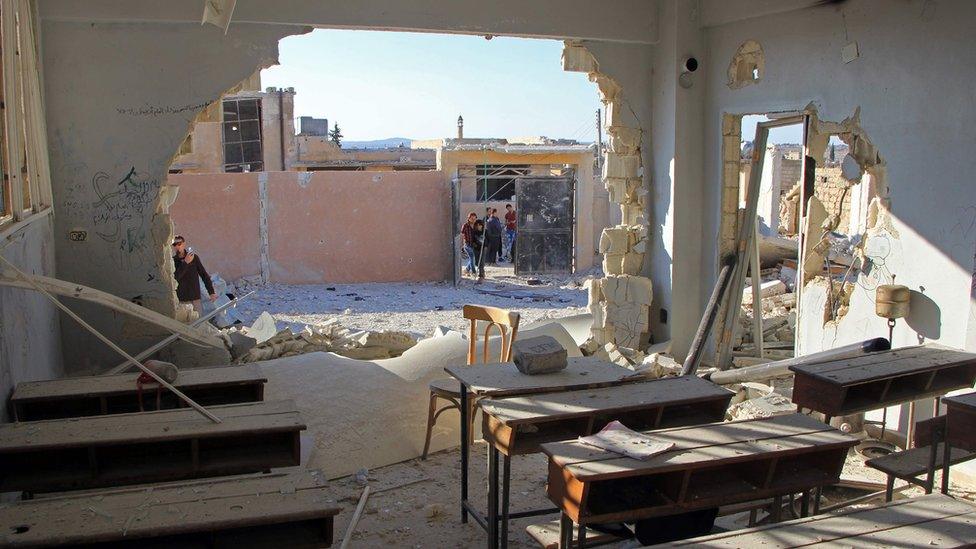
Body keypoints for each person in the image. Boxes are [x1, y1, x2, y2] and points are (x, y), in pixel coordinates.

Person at [172, 235, 216, 313]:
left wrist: (211, 292)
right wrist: (185, 263)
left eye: (179, 243)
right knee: (184, 324)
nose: (177, 246)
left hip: (195, 298)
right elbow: (175, 278)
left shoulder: (194, 258)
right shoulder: (173, 261)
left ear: (184, 244)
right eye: (174, 244)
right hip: (182, 300)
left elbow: (204, 275)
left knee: (199, 322)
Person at [460, 212, 477, 276]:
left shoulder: (476, 225)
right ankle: (473, 272)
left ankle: (467, 269)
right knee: (472, 257)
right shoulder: (465, 225)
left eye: (474, 218)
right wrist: (461, 245)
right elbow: (462, 235)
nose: (473, 220)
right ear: (469, 218)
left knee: (472, 258)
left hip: (474, 245)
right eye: (472, 218)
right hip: (467, 245)